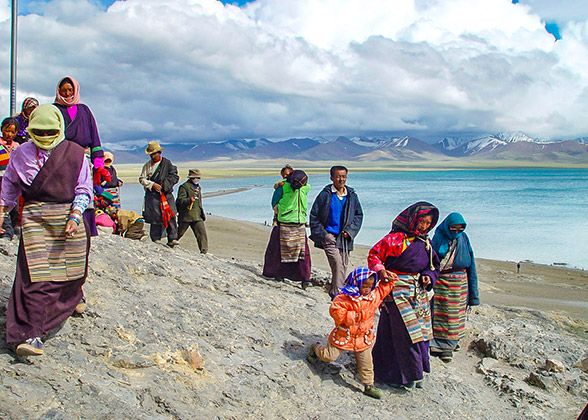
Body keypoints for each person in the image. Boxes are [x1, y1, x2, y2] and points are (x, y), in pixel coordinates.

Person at [0, 104, 92, 356]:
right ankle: (29, 334)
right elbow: (9, 185)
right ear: (30, 130)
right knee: (35, 277)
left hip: (67, 219)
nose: (44, 136)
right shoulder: (21, 154)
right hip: (35, 219)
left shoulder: (75, 154)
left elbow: (84, 188)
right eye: (38, 131)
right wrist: (1, 212)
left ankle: (73, 299)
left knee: (72, 272)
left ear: (59, 128)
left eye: (50, 130)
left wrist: (75, 215)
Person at [367, 201, 440, 389]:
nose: (424, 226)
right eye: (421, 221)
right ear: (413, 219)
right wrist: (381, 272)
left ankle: (412, 373)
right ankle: (404, 374)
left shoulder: (426, 244)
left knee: (419, 333)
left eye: (428, 223)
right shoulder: (394, 240)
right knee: (406, 333)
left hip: (418, 295)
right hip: (395, 290)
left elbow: (433, 267)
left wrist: (427, 277)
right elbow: (374, 255)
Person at [307, 267, 397, 399]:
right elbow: (336, 311)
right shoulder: (344, 298)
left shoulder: (373, 297)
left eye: (369, 286)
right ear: (356, 283)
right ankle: (316, 348)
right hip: (344, 335)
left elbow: (384, 288)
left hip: (362, 338)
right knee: (329, 356)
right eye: (364, 286)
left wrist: (389, 277)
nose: (366, 289)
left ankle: (368, 385)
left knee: (366, 362)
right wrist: (354, 316)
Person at [54, 76, 104, 237]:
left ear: (75, 90)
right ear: (58, 91)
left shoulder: (84, 110)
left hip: (83, 157)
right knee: (64, 191)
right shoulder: (54, 110)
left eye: (70, 90)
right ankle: (65, 224)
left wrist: (99, 163)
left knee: (84, 190)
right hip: (61, 157)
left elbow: (94, 136)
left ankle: (86, 227)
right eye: (64, 90)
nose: (67, 93)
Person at [430, 212, 479, 362]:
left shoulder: (463, 239)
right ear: (447, 227)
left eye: (459, 230)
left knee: (455, 315)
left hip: (460, 283)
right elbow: (432, 260)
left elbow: (471, 264)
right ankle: (439, 345)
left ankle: (451, 343)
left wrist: (474, 295)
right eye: (453, 229)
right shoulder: (439, 238)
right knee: (441, 314)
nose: (456, 233)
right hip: (442, 281)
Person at [310, 165, 363, 298]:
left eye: (344, 176)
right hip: (329, 237)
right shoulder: (325, 195)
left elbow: (358, 215)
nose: (341, 179)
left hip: (345, 238)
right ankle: (338, 295)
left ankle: (334, 291)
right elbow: (314, 216)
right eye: (338, 176)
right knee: (338, 264)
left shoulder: (352, 196)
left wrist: (350, 231)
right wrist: (324, 235)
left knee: (343, 266)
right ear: (332, 178)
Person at [262, 169, 312, 288]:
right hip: (285, 223)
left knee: (302, 252)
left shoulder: (304, 188)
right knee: (281, 251)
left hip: (299, 223)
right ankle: (279, 274)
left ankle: (305, 278)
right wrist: (283, 213)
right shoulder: (283, 187)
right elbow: (274, 203)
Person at [139, 141, 179, 246]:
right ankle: (156, 238)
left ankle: (172, 238)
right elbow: (142, 179)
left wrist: (164, 186)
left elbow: (174, 176)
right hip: (152, 195)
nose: (152, 156)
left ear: (159, 153)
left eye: (154, 154)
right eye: (151, 154)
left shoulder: (167, 163)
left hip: (165, 194)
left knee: (170, 215)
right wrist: (152, 184)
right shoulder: (147, 166)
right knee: (155, 216)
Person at [176, 169, 208, 254]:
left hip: (197, 215)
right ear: (191, 178)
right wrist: (189, 200)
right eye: (196, 177)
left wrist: (202, 213)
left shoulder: (198, 187)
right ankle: (171, 243)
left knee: (202, 234)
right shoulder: (184, 187)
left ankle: (204, 251)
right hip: (186, 215)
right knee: (179, 232)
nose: (197, 179)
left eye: (198, 178)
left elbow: (199, 202)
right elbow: (180, 200)